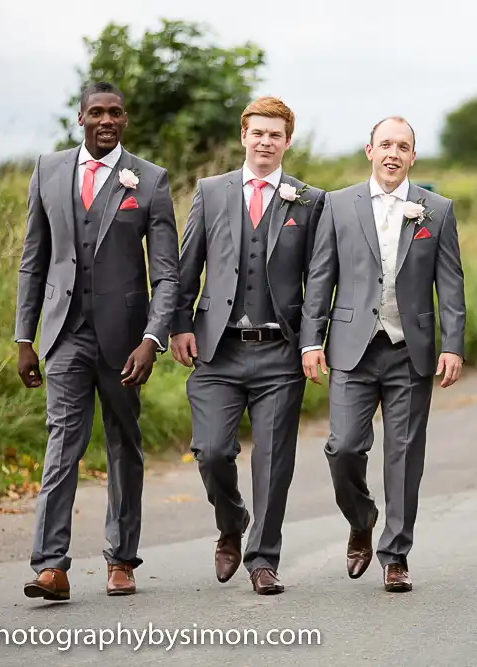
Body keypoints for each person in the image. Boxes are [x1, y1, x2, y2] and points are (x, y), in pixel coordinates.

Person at [15, 81, 180, 600]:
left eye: (115, 113)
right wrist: (25, 337)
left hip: (126, 341)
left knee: (123, 447)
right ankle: (50, 567)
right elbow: (33, 259)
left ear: (124, 120)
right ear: (81, 117)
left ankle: (121, 559)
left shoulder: (149, 180)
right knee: (62, 444)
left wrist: (153, 339)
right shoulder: (48, 170)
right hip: (63, 334)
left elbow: (168, 275)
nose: (105, 120)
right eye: (96, 113)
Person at [300, 116, 466, 592]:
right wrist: (312, 340)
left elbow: (450, 286)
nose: (393, 153)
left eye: (403, 146)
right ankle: (362, 516)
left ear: (414, 156)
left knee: (405, 455)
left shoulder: (436, 209)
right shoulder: (337, 204)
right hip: (352, 348)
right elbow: (320, 277)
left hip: (409, 350)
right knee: (344, 447)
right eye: (385, 144)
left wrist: (453, 344)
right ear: (369, 150)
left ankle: (396, 555)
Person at [170, 97, 325, 595]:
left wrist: (312, 341)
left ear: (287, 142)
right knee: (212, 451)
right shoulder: (211, 192)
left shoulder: (308, 199)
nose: (265, 142)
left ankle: (263, 559)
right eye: (257, 132)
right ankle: (232, 520)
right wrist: (179, 325)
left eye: (275, 135)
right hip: (218, 348)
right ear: (244, 136)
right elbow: (186, 264)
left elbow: (318, 279)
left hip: (280, 350)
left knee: (273, 461)